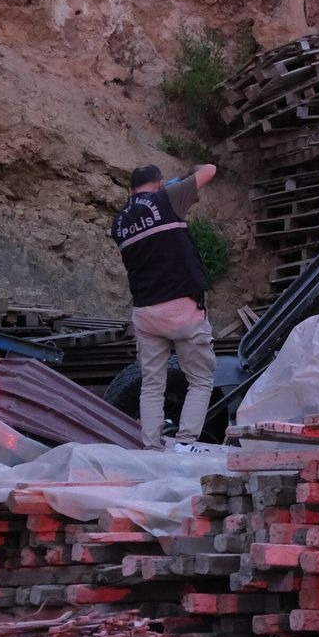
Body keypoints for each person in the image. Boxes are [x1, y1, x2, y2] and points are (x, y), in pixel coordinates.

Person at [110, 163, 218, 452]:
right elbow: (209, 169)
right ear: (158, 183)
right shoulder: (167, 198)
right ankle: (185, 443)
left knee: (152, 385)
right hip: (183, 309)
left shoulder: (119, 223)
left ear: (131, 189)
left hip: (146, 314)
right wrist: (187, 173)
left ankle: (151, 447)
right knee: (200, 380)